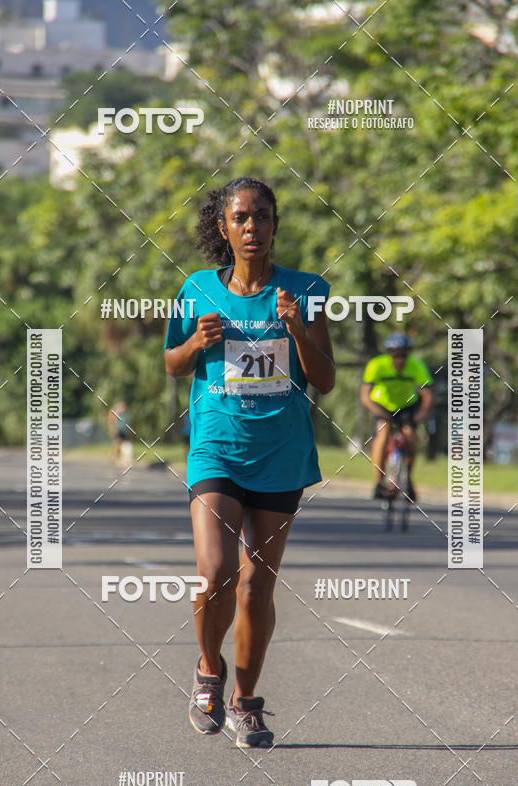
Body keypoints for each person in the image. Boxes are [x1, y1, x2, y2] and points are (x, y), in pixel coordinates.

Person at [164, 177, 335, 748]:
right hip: (216, 447)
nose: (252, 227)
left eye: (262, 216)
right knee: (217, 573)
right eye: (240, 218)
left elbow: (327, 379)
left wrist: (296, 331)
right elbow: (172, 362)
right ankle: (208, 670)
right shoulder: (196, 290)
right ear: (224, 228)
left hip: (281, 454)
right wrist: (194, 346)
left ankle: (246, 703)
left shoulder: (306, 291)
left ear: (274, 224)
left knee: (257, 585)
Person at [360, 333, 433, 502]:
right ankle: (378, 483)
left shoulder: (416, 366)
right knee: (383, 432)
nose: (399, 359)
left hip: (407, 406)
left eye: (403, 355)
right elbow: (365, 395)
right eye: (395, 355)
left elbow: (427, 395)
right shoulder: (377, 365)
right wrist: (376, 411)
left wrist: (419, 416)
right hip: (382, 405)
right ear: (389, 353)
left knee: (410, 435)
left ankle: (408, 480)